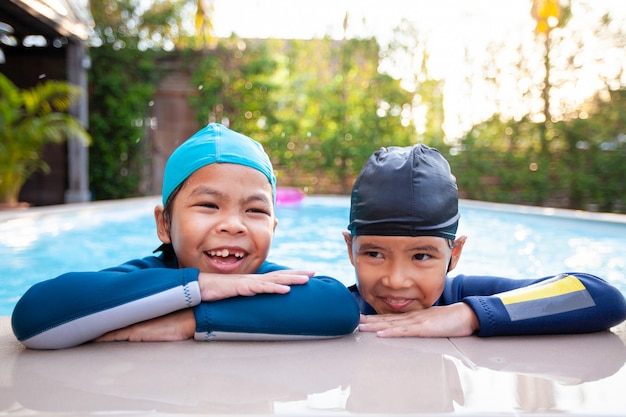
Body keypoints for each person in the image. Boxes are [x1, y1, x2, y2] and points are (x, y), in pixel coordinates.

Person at [12, 123, 360, 349]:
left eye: (255, 211)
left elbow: (338, 306)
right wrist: (200, 286)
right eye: (209, 205)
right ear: (164, 224)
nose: (234, 225)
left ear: (273, 228)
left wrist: (189, 319)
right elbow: (34, 314)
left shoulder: (264, 278)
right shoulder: (148, 274)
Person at [344, 144, 626, 337]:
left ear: (454, 254)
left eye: (421, 256)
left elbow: (604, 297)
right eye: (375, 255)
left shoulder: (464, 295)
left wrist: (468, 315)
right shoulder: (340, 306)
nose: (396, 280)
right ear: (350, 250)